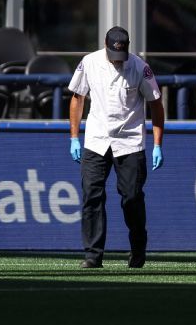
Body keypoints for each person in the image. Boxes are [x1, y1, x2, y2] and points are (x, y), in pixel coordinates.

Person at [68, 26, 164, 269]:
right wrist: (74, 137)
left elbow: (155, 104)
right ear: (105, 45)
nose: (117, 61)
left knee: (131, 197)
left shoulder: (140, 68)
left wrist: (157, 144)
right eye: (113, 55)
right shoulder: (89, 63)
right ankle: (93, 255)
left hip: (129, 140)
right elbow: (78, 98)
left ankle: (138, 249)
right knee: (92, 195)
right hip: (97, 139)